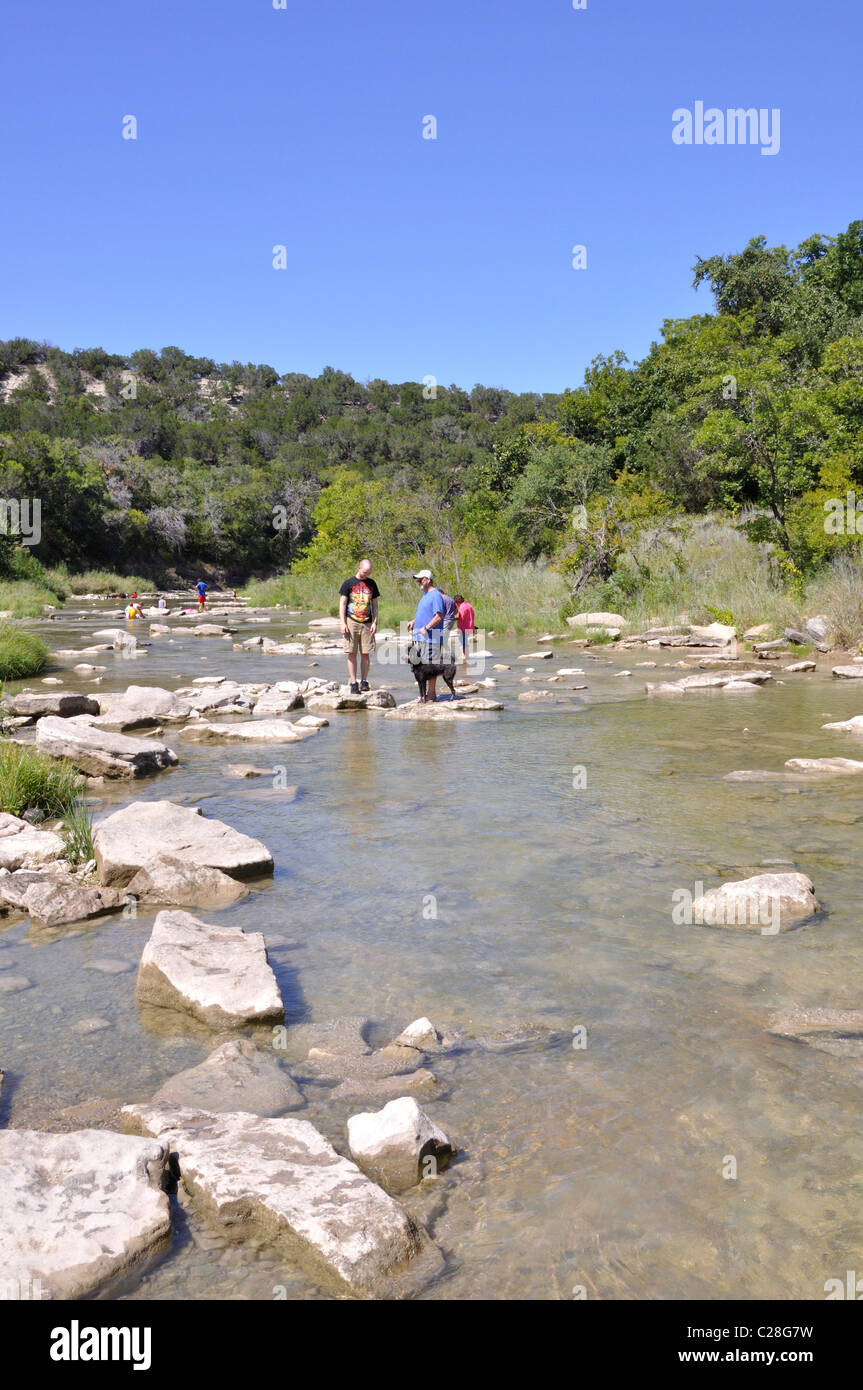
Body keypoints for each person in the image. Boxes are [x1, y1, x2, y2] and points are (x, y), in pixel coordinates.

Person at [338, 559, 380, 694]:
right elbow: (343, 604)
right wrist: (342, 622)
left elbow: (375, 604)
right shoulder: (348, 583)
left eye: (369, 572)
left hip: (367, 622)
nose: (367, 575)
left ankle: (364, 681)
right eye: (365, 572)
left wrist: (375, 622)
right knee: (352, 653)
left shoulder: (372, 583)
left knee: (366, 653)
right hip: (351, 621)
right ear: (359, 568)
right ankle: (353, 682)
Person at [408, 568, 445, 701]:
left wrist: (426, 627)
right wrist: (414, 621)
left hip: (432, 636)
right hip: (423, 637)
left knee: (431, 666)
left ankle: (431, 694)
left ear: (428, 580)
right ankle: (425, 694)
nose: (419, 582)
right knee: (423, 666)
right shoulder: (425, 595)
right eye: (418, 580)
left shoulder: (435, 595)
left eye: (421, 580)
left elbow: (439, 616)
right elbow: (425, 613)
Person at [454, 593, 476, 658]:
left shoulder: (462, 607)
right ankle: (467, 655)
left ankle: (464, 656)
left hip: (464, 628)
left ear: (457, 602)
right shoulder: (469, 605)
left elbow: (461, 618)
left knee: (461, 642)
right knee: (465, 641)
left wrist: (453, 618)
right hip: (470, 626)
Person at [440, 591, 458, 656]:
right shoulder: (451, 599)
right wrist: (451, 615)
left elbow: (440, 611)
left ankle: (451, 655)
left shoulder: (442, 599)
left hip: (446, 620)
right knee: (443, 640)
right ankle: (449, 655)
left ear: (440, 593)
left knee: (442, 640)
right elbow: (456, 610)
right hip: (451, 620)